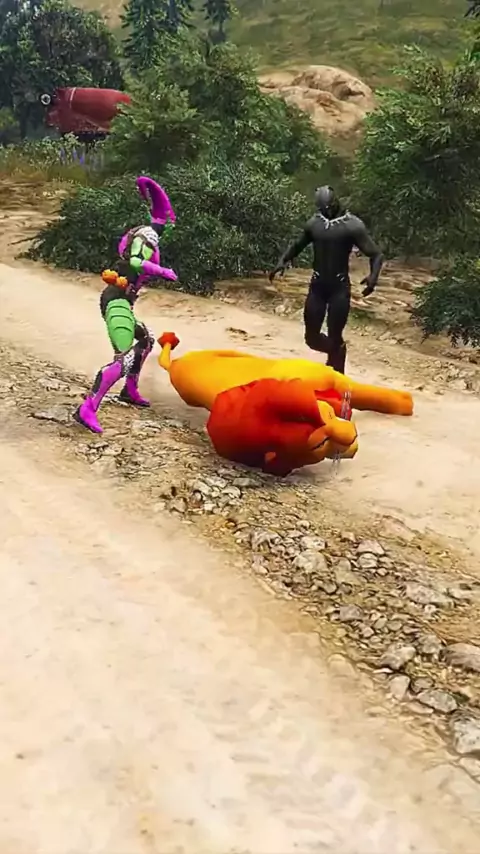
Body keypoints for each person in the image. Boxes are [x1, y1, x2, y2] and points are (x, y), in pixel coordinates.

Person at [74, 176, 178, 434]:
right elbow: (135, 262)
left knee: (146, 340)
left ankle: (129, 390)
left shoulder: (144, 236)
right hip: (116, 301)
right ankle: (88, 408)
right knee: (124, 358)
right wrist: (164, 271)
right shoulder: (146, 238)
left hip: (122, 301)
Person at [269, 185, 383, 374]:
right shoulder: (314, 223)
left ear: (335, 202)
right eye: (323, 209)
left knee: (335, 335)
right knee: (311, 339)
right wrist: (283, 260)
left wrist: (373, 277)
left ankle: (336, 374)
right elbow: (298, 245)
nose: (326, 211)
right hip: (318, 286)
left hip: (339, 287)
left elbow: (376, 254)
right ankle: (337, 352)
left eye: (328, 208)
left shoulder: (353, 225)